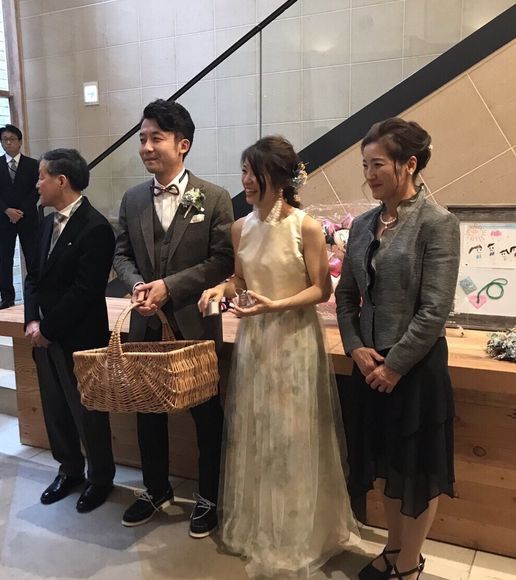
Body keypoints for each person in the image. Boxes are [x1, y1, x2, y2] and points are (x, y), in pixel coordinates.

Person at [199, 136, 357, 579]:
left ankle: (297, 529)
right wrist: (220, 288)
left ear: (280, 177)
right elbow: (240, 278)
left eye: (255, 172)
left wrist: (276, 306)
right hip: (256, 340)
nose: (246, 180)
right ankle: (260, 525)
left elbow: (321, 289)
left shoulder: (305, 227)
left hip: (294, 340)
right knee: (256, 428)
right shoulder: (240, 227)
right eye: (244, 171)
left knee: (293, 433)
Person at [335, 118, 460, 580]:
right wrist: (355, 348)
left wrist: (395, 366)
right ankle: (391, 548)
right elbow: (346, 297)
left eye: (378, 165)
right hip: (369, 364)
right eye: (365, 166)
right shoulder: (362, 225)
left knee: (416, 471)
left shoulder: (437, 223)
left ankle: (409, 564)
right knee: (385, 465)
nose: (369, 174)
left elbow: (434, 310)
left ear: (409, 164)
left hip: (415, 369)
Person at [113, 99, 234, 538]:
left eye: (156, 138)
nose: (146, 147)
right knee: (147, 411)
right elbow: (121, 254)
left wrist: (170, 286)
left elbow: (223, 260)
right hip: (144, 324)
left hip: (195, 326)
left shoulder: (214, 197)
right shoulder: (132, 199)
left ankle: (209, 496)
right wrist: (137, 285)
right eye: (142, 138)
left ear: (182, 144)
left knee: (206, 415)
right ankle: (155, 488)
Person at [24, 148, 116, 513]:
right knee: (55, 408)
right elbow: (33, 277)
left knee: (88, 412)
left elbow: (85, 290)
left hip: (80, 337)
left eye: (42, 176)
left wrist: (47, 327)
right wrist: (32, 321)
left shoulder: (96, 227)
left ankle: (100, 477)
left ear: (61, 181)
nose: (37, 184)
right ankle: (69, 469)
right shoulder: (45, 223)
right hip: (44, 336)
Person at [0, 124, 40, 309]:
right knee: (5, 258)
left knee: (32, 257)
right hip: (3, 218)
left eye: (11, 139)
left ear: (20, 141)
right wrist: (7, 210)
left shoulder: (33, 164)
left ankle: (36, 294)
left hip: (28, 217)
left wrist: (20, 211)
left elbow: (36, 190)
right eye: (4, 140)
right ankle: (7, 297)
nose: (8, 143)